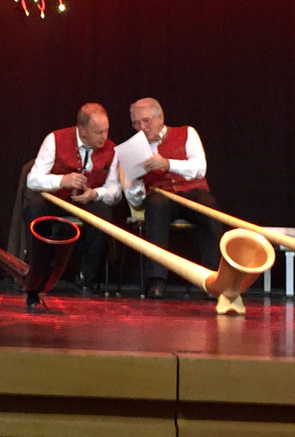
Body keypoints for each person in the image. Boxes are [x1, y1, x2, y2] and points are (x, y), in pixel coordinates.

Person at [125, 97, 223, 299]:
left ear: (160, 118)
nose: (141, 128)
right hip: (162, 196)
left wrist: (167, 164)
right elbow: (135, 201)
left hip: (192, 192)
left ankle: (214, 279)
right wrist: (135, 182)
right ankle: (156, 281)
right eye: (136, 123)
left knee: (209, 206)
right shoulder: (132, 150)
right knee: (155, 204)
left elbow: (200, 168)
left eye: (146, 121)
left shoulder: (187, 133)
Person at [23, 103, 123, 293]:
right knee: (34, 206)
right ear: (83, 130)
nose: (104, 137)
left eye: (106, 131)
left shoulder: (113, 150)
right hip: (55, 199)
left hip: (86, 201)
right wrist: (62, 181)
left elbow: (115, 190)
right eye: (98, 132)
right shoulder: (55, 139)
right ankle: (37, 270)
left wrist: (95, 193)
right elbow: (32, 179)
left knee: (103, 215)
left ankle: (86, 276)